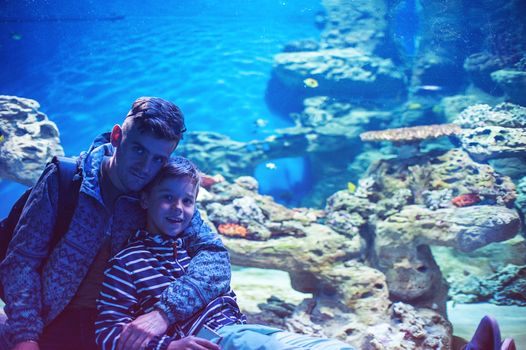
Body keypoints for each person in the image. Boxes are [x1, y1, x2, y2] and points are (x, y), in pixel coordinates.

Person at [0, 97, 231, 350]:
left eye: (158, 159)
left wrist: (164, 313)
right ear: (117, 136)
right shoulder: (65, 179)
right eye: (139, 150)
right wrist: (26, 337)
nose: (145, 168)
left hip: (129, 332)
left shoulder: (160, 195)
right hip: (53, 325)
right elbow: (21, 262)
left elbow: (215, 255)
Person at [96, 156, 355, 350]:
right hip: (213, 338)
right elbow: (107, 332)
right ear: (144, 200)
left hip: (241, 330)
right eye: (167, 197)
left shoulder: (195, 250)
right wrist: (167, 347)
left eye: (187, 201)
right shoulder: (127, 262)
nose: (178, 208)